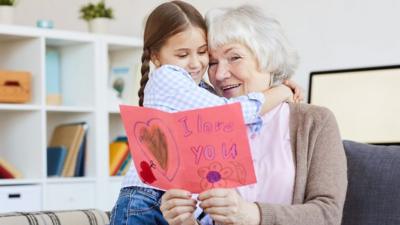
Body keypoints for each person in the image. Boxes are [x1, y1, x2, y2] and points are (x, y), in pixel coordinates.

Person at [109, 2, 303, 225]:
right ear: (155, 57)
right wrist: (281, 90)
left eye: (202, 53)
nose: (195, 63)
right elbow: (229, 114)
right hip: (147, 199)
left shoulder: (198, 89)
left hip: (176, 201)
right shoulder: (167, 77)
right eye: (182, 54)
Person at [160, 5, 348, 225]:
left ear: (269, 58)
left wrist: (251, 214)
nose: (220, 74)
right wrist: (184, 221)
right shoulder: (203, 123)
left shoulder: (314, 122)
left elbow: (328, 215)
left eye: (235, 58)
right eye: (212, 63)